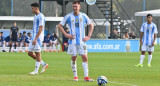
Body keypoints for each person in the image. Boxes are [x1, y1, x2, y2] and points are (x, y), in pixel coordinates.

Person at [58, 1, 94, 81]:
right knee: (74, 58)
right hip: (72, 42)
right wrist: (66, 35)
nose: (75, 8)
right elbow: (59, 26)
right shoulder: (68, 16)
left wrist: (88, 36)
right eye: (73, 6)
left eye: (76, 6)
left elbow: (91, 25)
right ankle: (75, 76)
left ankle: (86, 77)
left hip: (82, 41)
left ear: (79, 7)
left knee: (85, 57)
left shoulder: (84, 16)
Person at [28, 2, 48, 75]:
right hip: (34, 37)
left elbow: (41, 28)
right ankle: (43, 64)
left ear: (36, 8)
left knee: (38, 54)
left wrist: (36, 39)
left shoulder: (41, 16)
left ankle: (36, 71)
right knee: (30, 53)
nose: (31, 10)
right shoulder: (35, 16)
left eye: (32, 8)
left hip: (38, 38)